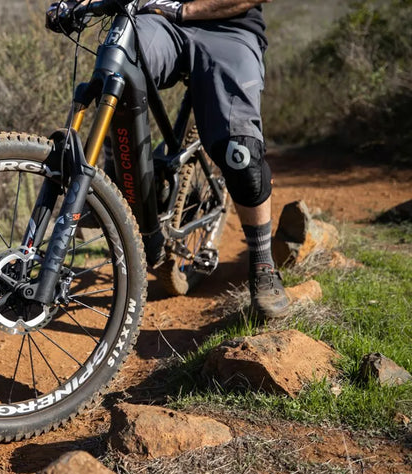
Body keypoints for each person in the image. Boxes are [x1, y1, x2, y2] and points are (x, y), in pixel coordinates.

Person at [46, 0, 290, 318]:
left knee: (240, 155)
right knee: (117, 62)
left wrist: (187, 10)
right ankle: (116, 179)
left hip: (230, 28)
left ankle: (262, 263)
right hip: (161, 25)